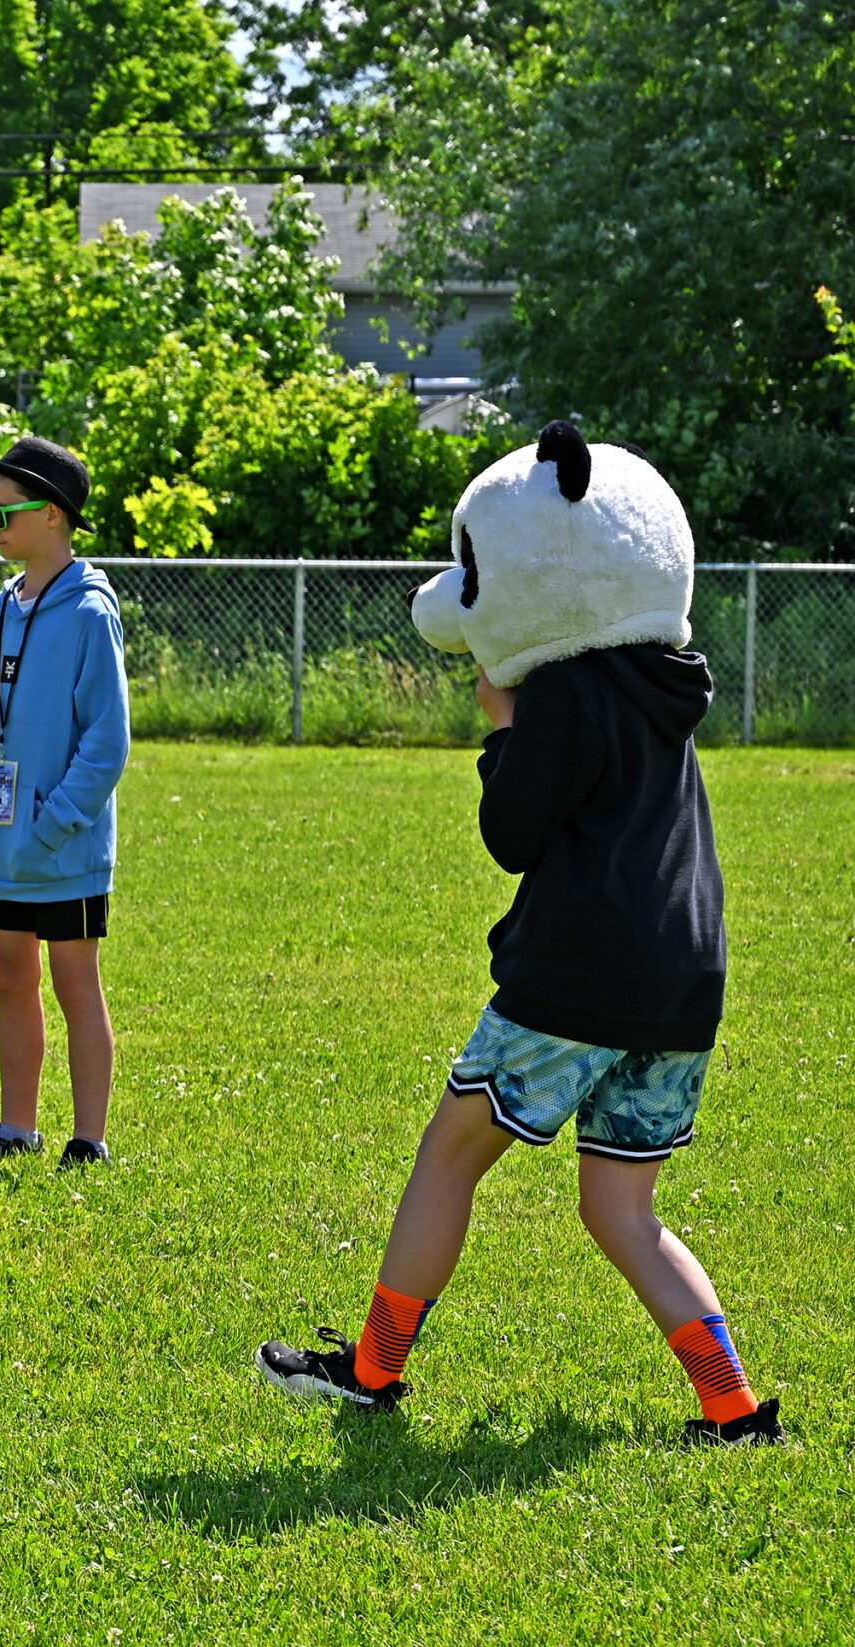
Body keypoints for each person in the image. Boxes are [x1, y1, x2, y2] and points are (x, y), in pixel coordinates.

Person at [259, 423, 783, 1445]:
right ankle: (731, 1411)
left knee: (449, 1153)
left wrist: (504, 724)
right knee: (621, 1209)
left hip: (577, 972)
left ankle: (369, 1374)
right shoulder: (665, 682)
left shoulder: (562, 693)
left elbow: (511, 835)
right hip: (682, 980)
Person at [0, 439, 130, 1169]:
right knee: (10, 975)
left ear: (52, 515)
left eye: (3, 514)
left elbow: (107, 744)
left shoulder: (88, 613)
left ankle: (89, 1140)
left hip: (63, 845)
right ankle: (16, 1127)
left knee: (75, 982)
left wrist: (53, 824)